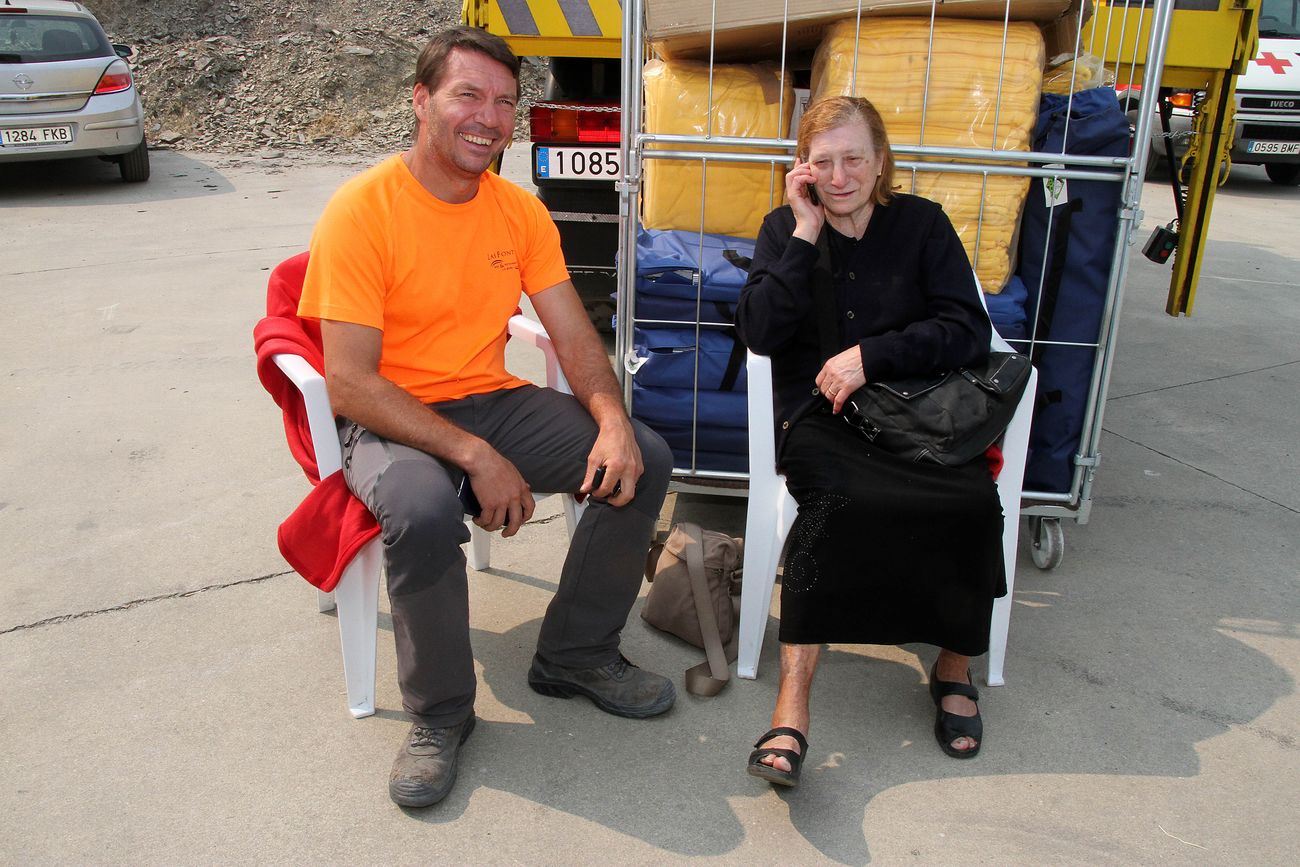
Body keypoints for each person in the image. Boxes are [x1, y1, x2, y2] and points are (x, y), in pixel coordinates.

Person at [297, 26, 675, 808]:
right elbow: (349, 384)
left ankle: (575, 650)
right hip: (391, 416)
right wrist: (473, 453)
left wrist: (609, 416)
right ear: (421, 101)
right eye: (467, 94)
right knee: (423, 505)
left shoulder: (518, 211)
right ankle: (439, 713)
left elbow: (572, 333)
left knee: (642, 456)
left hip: (488, 399)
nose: (488, 117)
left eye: (504, 101)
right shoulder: (362, 211)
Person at [734, 96, 1005, 787]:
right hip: (820, 418)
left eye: (854, 158)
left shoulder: (921, 226)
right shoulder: (783, 230)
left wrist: (873, 355)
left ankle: (953, 663)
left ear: (880, 160)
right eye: (823, 161)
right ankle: (792, 701)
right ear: (803, 170)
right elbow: (761, 334)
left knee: (971, 499)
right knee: (833, 502)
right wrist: (802, 233)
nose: (841, 174)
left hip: (914, 408)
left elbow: (966, 329)